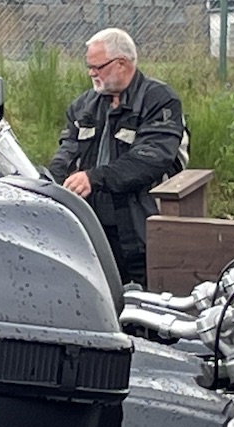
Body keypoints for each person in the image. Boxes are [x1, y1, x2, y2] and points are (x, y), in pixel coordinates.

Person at [49, 28, 187, 289]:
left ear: (121, 64)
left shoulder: (160, 101)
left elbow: (151, 158)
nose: (91, 73)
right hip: (90, 224)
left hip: (139, 224)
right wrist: (52, 180)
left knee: (141, 296)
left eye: (97, 67)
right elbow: (67, 150)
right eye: (89, 67)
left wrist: (94, 178)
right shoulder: (83, 105)